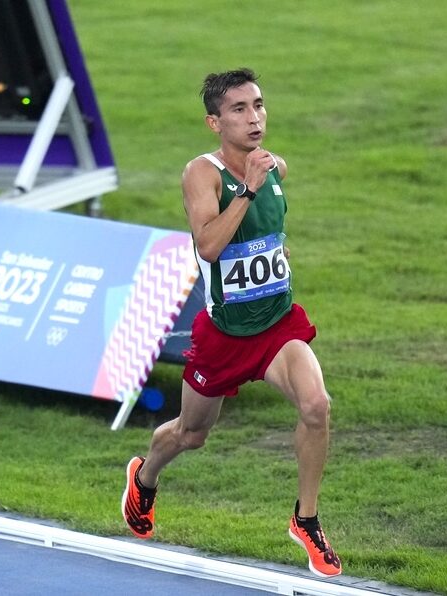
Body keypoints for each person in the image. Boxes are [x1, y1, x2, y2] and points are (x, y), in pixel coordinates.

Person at [121, 68, 342, 577]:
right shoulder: (203, 173)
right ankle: (145, 477)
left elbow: (265, 236)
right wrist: (247, 190)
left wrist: (274, 251)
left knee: (316, 406)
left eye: (258, 105)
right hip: (224, 334)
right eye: (239, 109)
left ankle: (306, 520)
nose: (254, 117)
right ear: (215, 123)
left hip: (276, 325)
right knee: (191, 434)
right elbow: (208, 246)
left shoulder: (275, 167)